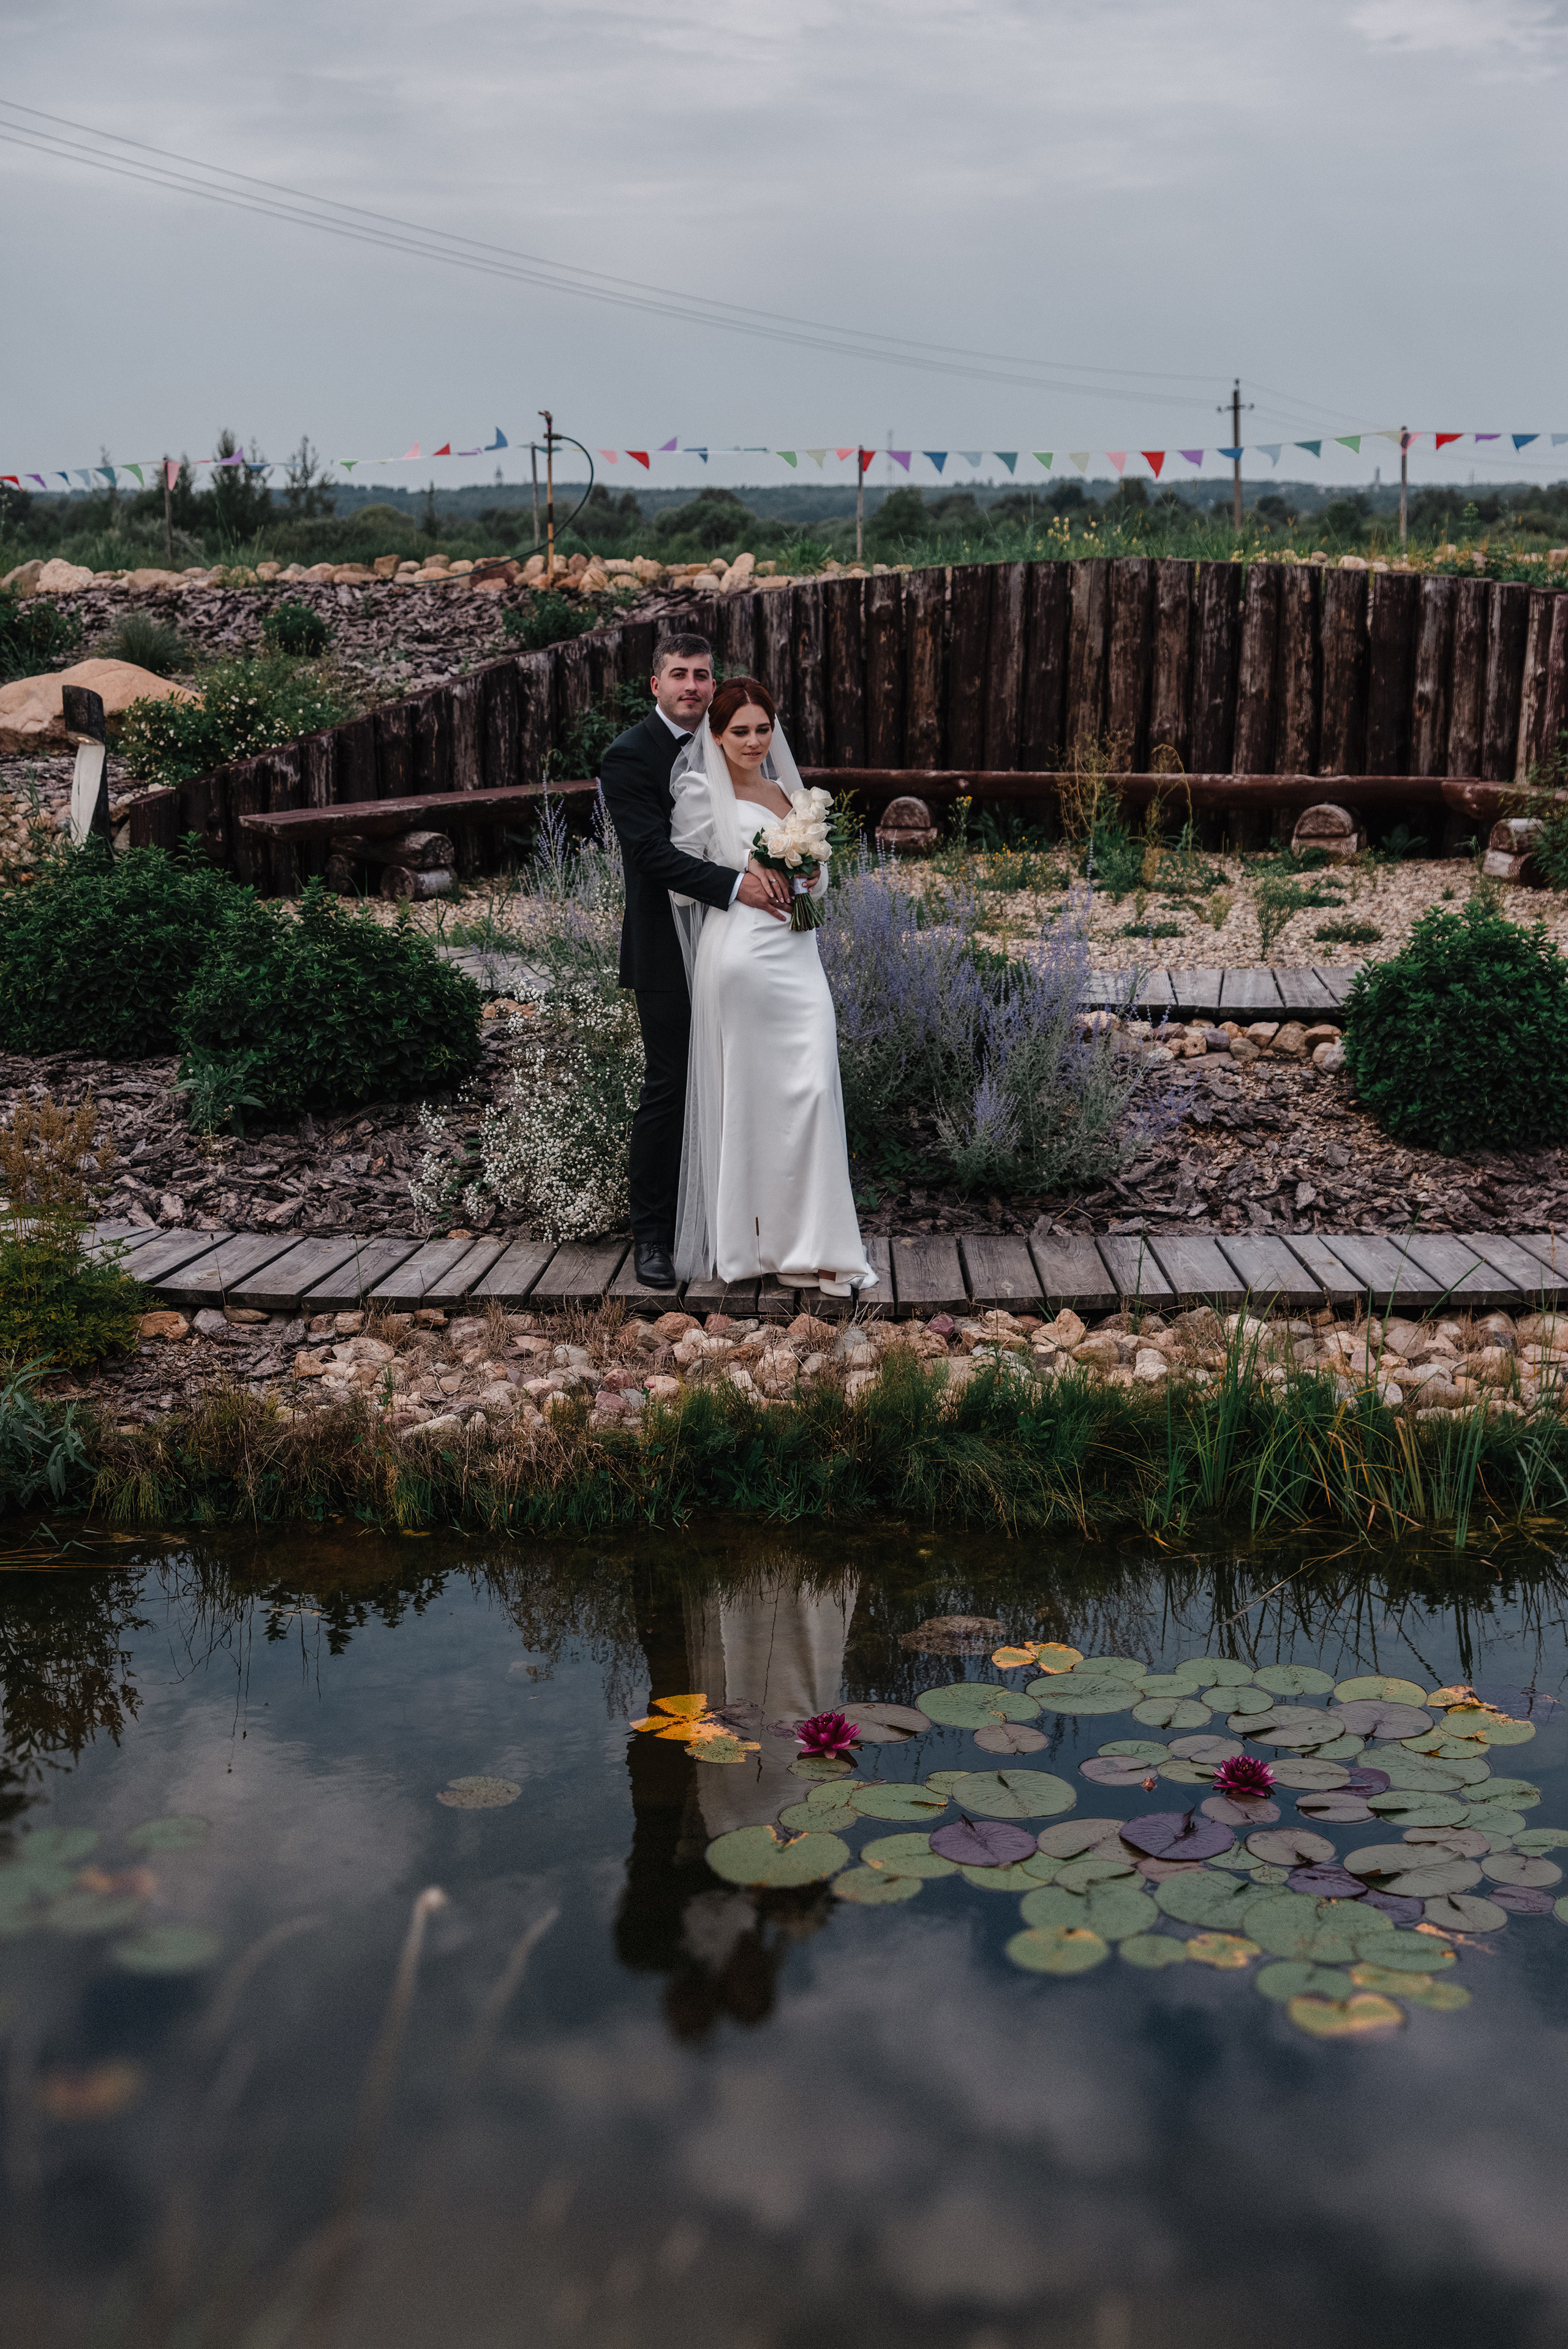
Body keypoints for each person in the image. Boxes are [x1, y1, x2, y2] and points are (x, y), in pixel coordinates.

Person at [667, 677, 875, 1297]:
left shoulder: (789, 794)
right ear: (716, 734)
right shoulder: (700, 791)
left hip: (798, 955)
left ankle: (814, 1242)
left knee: (812, 1089)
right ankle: (758, 1245)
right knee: (754, 1101)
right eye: (740, 731)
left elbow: (822, 884)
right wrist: (745, 870)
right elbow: (681, 880)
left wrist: (806, 873)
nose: (754, 741)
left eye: (763, 728)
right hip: (743, 958)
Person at [599, 635, 790, 1291]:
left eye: (701, 675)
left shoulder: (737, 744)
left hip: (749, 952)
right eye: (678, 674)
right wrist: (740, 887)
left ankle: (746, 1225)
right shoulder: (628, 756)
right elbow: (650, 854)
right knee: (672, 1085)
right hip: (667, 950)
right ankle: (654, 1236)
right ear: (654, 685)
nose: (691, 685)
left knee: (750, 1081)